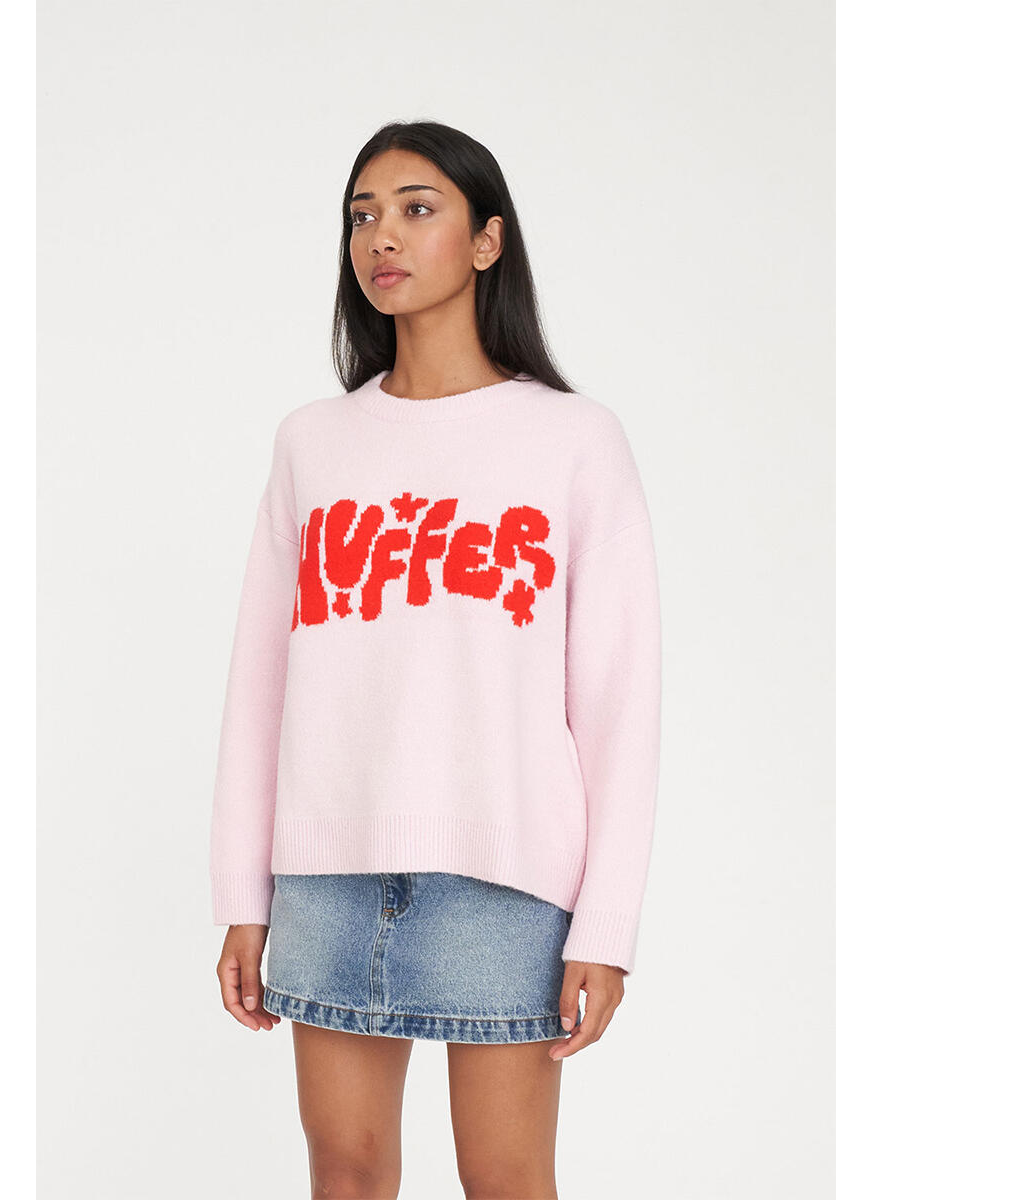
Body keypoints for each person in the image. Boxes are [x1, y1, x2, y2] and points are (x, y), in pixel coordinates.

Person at [209, 119, 662, 1199]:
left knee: (506, 1181)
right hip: (326, 873)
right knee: (346, 1174)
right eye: (363, 215)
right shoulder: (313, 441)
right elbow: (260, 688)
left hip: (506, 881)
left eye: (418, 209)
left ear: (487, 241)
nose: (383, 237)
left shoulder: (575, 439)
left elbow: (620, 702)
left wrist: (607, 925)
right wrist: (242, 893)